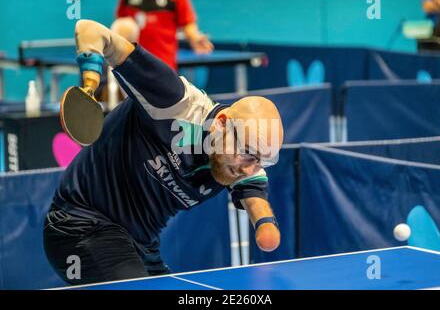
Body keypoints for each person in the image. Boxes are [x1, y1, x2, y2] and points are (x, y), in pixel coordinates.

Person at [43, 19, 283, 285]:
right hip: (79, 226)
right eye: (248, 155)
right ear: (222, 124)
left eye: (261, 160)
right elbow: (89, 29)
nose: (248, 167)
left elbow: (252, 190)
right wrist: (90, 79)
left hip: (142, 246)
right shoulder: (173, 101)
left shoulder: (238, 159)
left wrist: (264, 223)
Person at [116, 0, 214, 69]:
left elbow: (187, 22)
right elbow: (121, 19)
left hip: (164, 63)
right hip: (132, 63)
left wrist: (195, 38)